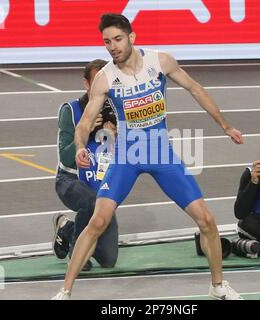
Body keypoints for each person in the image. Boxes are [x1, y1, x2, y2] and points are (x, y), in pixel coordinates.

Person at [52, 13, 244, 300]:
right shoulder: (105, 78)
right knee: (97, 221)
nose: (112, 46)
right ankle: (64, 292)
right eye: (107, 42)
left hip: (159, 150)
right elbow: (84, 123)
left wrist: (225, 125)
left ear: (132, 37)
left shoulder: (160, 61)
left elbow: (195, 89)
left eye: (117, 39)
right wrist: (80, 146)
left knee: (206, 220)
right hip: (127, 156)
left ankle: (218, 286)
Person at [53, 59, 119, 270]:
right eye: (97, 82)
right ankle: (76, 255)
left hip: (100, 185)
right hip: (70, 180)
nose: (103, 88)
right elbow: (65, 156)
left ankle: (67, 229)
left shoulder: (116, 112)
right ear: (86, 84)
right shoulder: (70, 110)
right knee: (90, 202)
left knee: (109, 260)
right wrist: (87, 129)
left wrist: (119, 136)